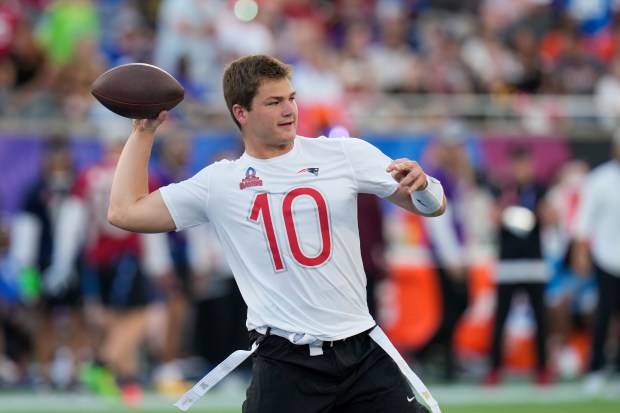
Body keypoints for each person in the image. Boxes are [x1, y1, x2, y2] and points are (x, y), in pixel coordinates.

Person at [107, 54, 446, 413]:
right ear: (241, 112)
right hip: (286, 362)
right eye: (274, 102)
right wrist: (143, 131)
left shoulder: (343, 153)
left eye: (291, 98)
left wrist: (422, 185)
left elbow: (432, 204)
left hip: (360, 351)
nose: (289, 111)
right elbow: (125, 212)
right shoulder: (221, 182)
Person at [483, 145, 554, 386]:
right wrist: (500, 213)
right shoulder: (503, 189)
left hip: (534, 261)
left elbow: (551, 217)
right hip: (508, 263)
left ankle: (542, 367)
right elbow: (492, 218)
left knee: (540, 318)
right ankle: (494, 368)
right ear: (511, 166)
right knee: (501, 317)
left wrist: (546, 215)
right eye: (517, 164)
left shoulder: (541, 188)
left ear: (530, 165)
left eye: (525, 164)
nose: (521, 169)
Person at [572, 129, 620, 397]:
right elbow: (584, 217)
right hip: (607, 256)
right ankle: (596, 369)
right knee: (604, 315)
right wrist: (580, 251)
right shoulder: (600, 179)